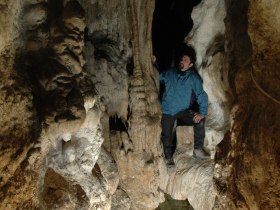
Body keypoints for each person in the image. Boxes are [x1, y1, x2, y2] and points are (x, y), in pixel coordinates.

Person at [160, 45, 209, 166]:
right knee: (167, 135)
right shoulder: (169, 73)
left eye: (186, 60)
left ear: (190, 65)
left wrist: (202, 112)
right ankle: (168, 157)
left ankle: (198, 149)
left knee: (199, 121)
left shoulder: (193, 78)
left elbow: (201, 95)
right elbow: (155, 76)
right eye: (182, 59)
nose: (182, 61)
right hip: (167, 111)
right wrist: (153, 64)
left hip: (182, 110)